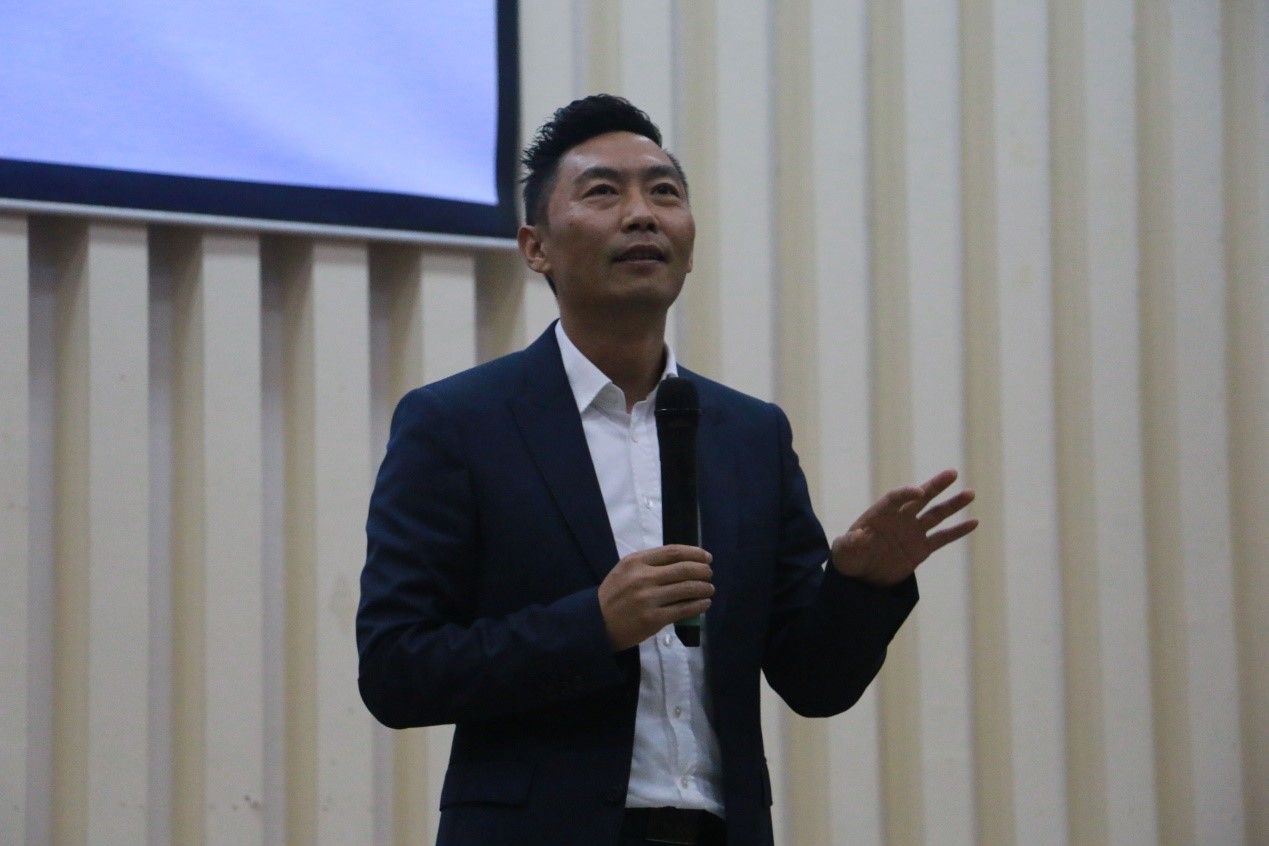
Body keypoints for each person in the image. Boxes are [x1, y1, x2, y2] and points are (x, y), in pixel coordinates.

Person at [357, 94, 977, 846]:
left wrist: (860, 587)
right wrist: (593, 625)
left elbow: (814, 684)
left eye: (664, 192)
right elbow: (396, 670)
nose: (641, 214)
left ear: (689, 242)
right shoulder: (458, 424)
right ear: (535, 246)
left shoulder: (750, 435)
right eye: (602, 192)